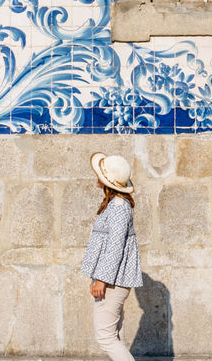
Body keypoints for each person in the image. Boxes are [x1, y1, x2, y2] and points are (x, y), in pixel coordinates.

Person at [79, 153, 141, 361]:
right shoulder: (116, 205)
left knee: (105, 337)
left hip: (112, 281)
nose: (96, 177)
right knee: (115, 336)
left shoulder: (118, 207)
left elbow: (115, 247)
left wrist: (102, 280)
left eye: (100, 174)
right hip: (114, 280)